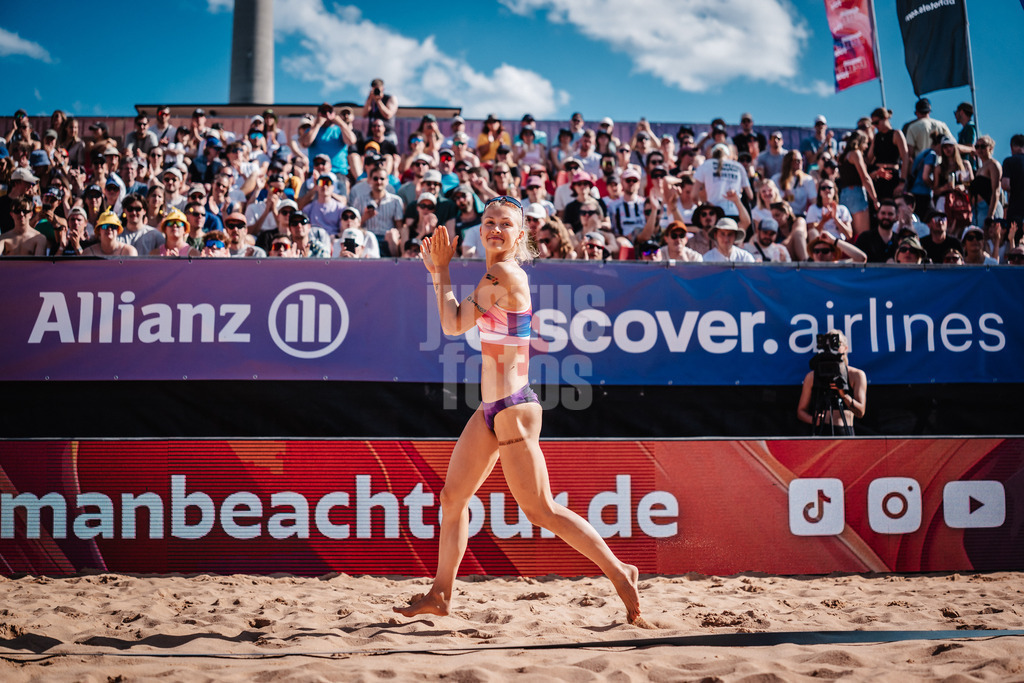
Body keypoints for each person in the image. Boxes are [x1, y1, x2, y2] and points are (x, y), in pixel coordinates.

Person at [393, 196, 644, 627]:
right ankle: (440, 593)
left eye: (504, 223)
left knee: (541, 510)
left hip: (513, 409)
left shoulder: (504, 272)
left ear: (520, 235)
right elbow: (457, 320)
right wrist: (441, 272)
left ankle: (620, 571)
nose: (494, 228)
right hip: (491, 408)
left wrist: (441, 272)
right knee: (452, 498)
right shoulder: (493, 272)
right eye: (488, 221)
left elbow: (453, 325)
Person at [796, 330, 866, 437]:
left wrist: (844, 395)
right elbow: (801, 411)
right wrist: (814, 420)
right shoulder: (812, 376)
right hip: (821, 431)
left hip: (845, 432)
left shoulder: (856, 375)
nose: (833, 349)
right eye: (828, 345)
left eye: (837, 344)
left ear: (846, 348)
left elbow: (860, 412)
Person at [836, 130, 878, 239]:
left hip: (844, 195)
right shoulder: (855, 153)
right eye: (866, 143)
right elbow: (864, 178)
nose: (866, 146)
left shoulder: (842, 156)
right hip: (856, 194)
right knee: (863, 236)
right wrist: (875, 199)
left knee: (849, 235)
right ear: (860, 142)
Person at [971, 136, 1002, 225]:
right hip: (977, 210)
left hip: (988, 207)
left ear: (990, 148)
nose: (980, 149)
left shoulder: (993, 164)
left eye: (983, 146)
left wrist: (990, 215)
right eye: (977, 147)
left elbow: (996, 190)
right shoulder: (980, 169)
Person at [363, 78, 399, 145]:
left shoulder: (390, 98)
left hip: (388, 135)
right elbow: (364, 114)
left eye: (377, 88)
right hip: (372, 136)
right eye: (374, 89)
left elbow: (388, 115)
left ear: (383, 88)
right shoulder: (371, 100)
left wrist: (378, 101)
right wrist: (370, 99)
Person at [1001, 134, 1024, 225]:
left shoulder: (1009, 161)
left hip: (1016, 208)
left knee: (1015, 237)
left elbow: (1005, 184)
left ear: (1012, 147)